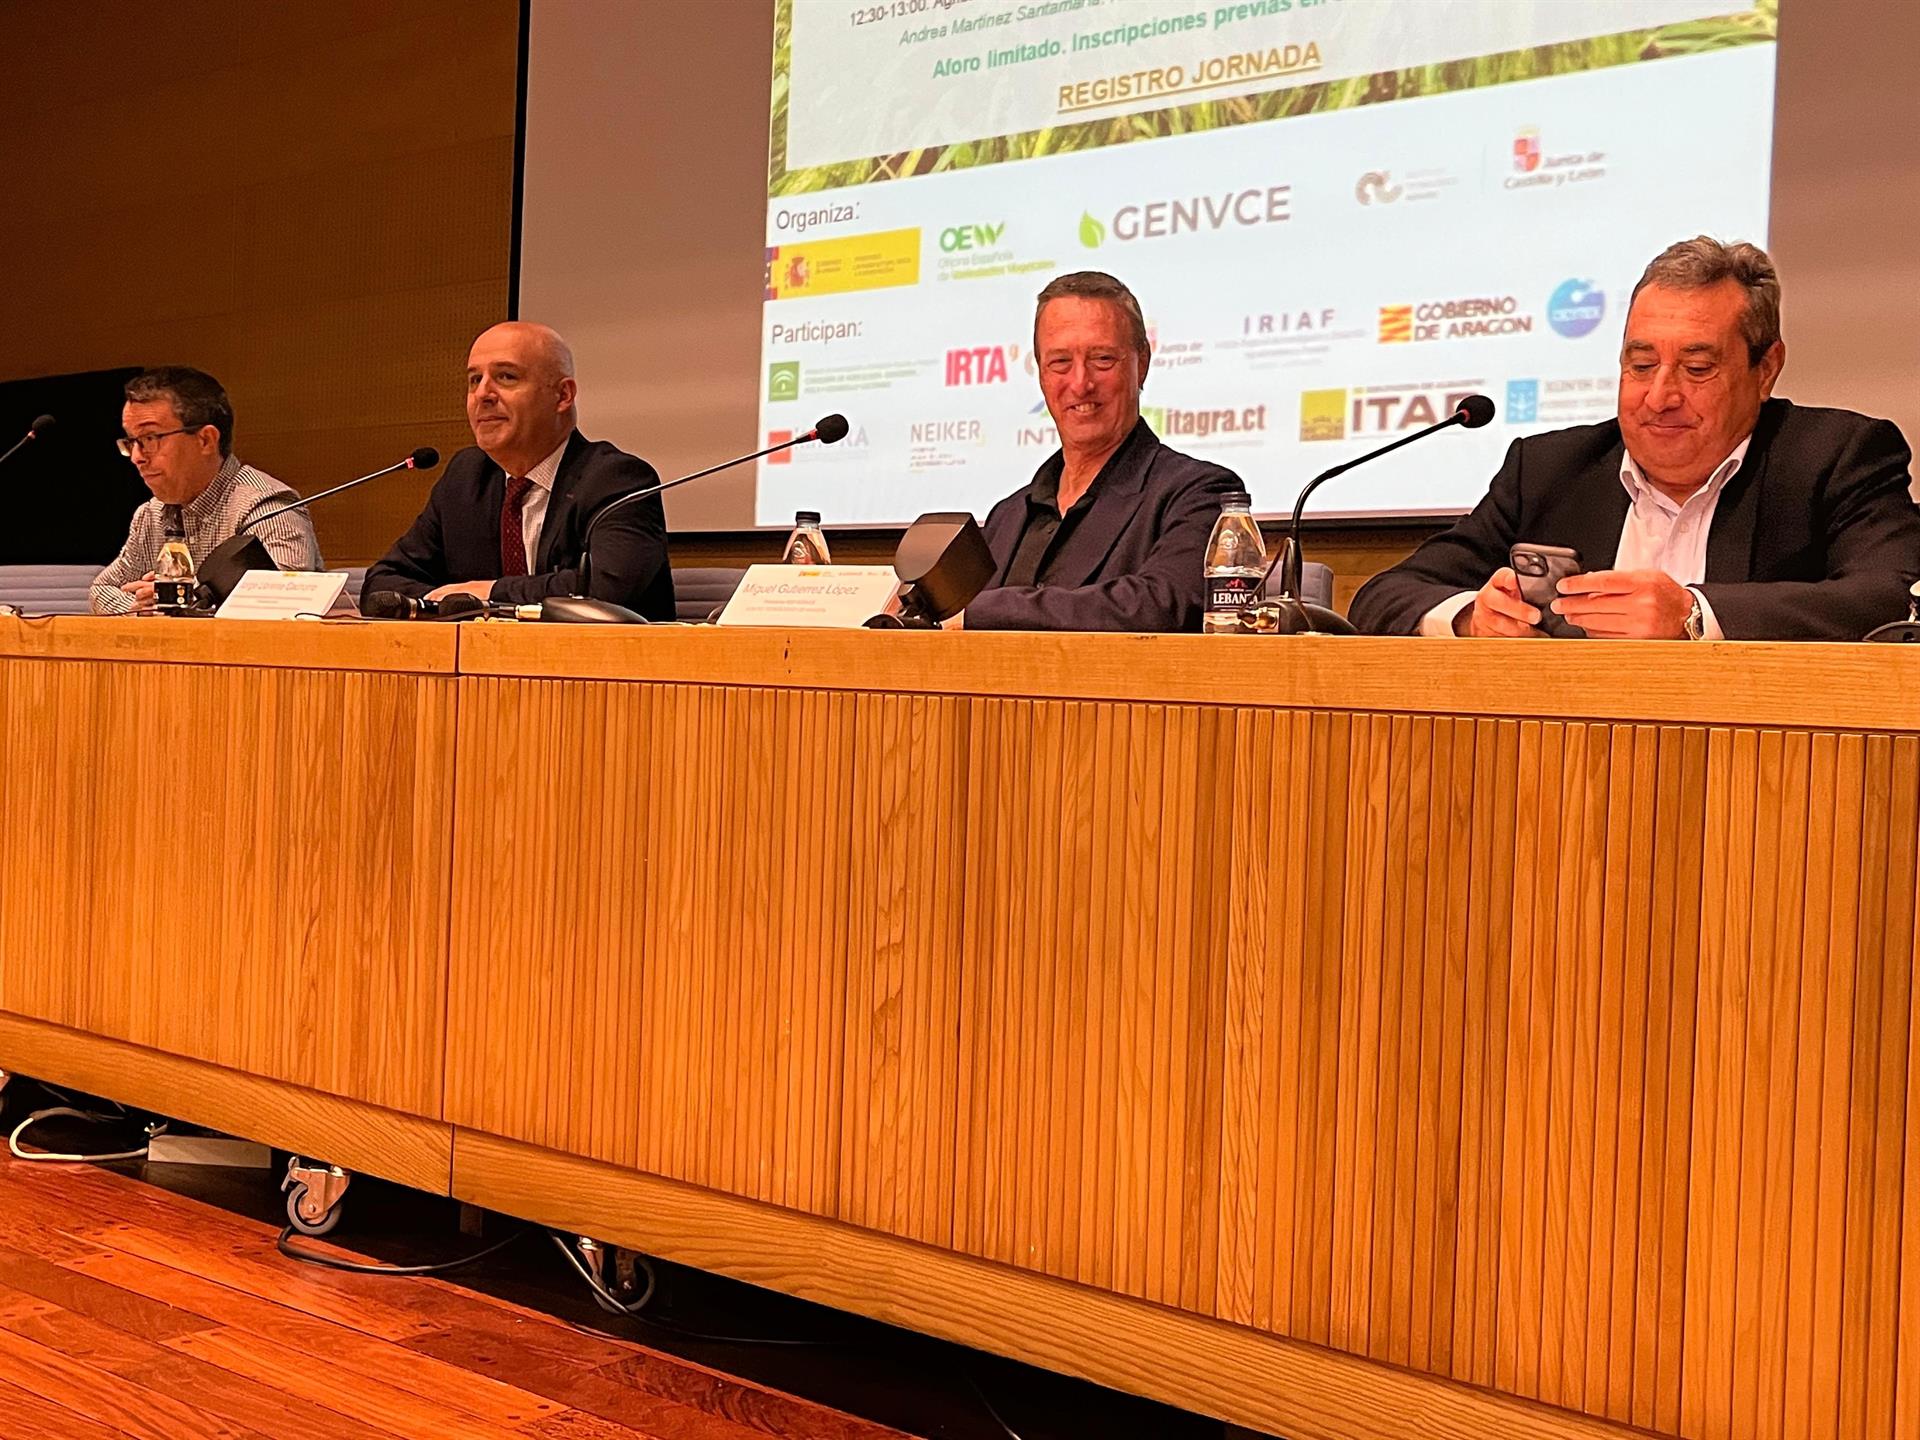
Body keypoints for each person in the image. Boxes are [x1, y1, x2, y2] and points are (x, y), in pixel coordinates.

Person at [1349, 237, 1920, 641]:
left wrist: (1694, 615)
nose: (1660, 396)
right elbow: (1387, 593)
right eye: (1641, 365)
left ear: (1765, 369)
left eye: (1697, 369)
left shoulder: (1834, 458)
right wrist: (1472, 616)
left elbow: (1897, 598)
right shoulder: (1549, 469)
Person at [956, 271, 1241, 631]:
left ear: (1142, 364)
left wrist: (985, 611)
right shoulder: (1007, 517)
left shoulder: (1198, 494)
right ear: (1041, 374)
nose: (1080, 384)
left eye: (1102, 359)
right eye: (1060, 362)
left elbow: (1163, 604)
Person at [361, 321, 674, 618]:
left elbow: (610, 590)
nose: (482, 394)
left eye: (506, 377)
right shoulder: (466, 478)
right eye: (474, 380)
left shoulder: (616, 480)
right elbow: (382, 584)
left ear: (563, 396)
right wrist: (440, 602)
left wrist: (491, 594)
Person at [92, 368, 320, 614]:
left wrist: (181, 599)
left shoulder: (265, 506)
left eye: (150, 438)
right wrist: (146, 611)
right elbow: (102, 590)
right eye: (131, 441)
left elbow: (287, 599)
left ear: (206, 440)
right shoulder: (151, 515)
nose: (136, 457)